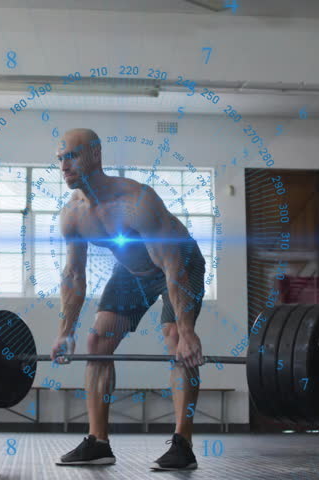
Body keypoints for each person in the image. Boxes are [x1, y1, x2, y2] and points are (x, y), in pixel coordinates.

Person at [51, 128, 206, 471]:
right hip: (133, 273)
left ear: (95, 156)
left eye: (71, 156)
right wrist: (66, 331)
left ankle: (183, 444)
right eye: (60, 159)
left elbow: (173, 266)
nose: (64, 166)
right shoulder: (73, 215)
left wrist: (187, 330)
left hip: (179, 264)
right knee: (97, 341)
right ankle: (98, 442)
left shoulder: (137, 201)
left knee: (176, 340)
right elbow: (74, 276)